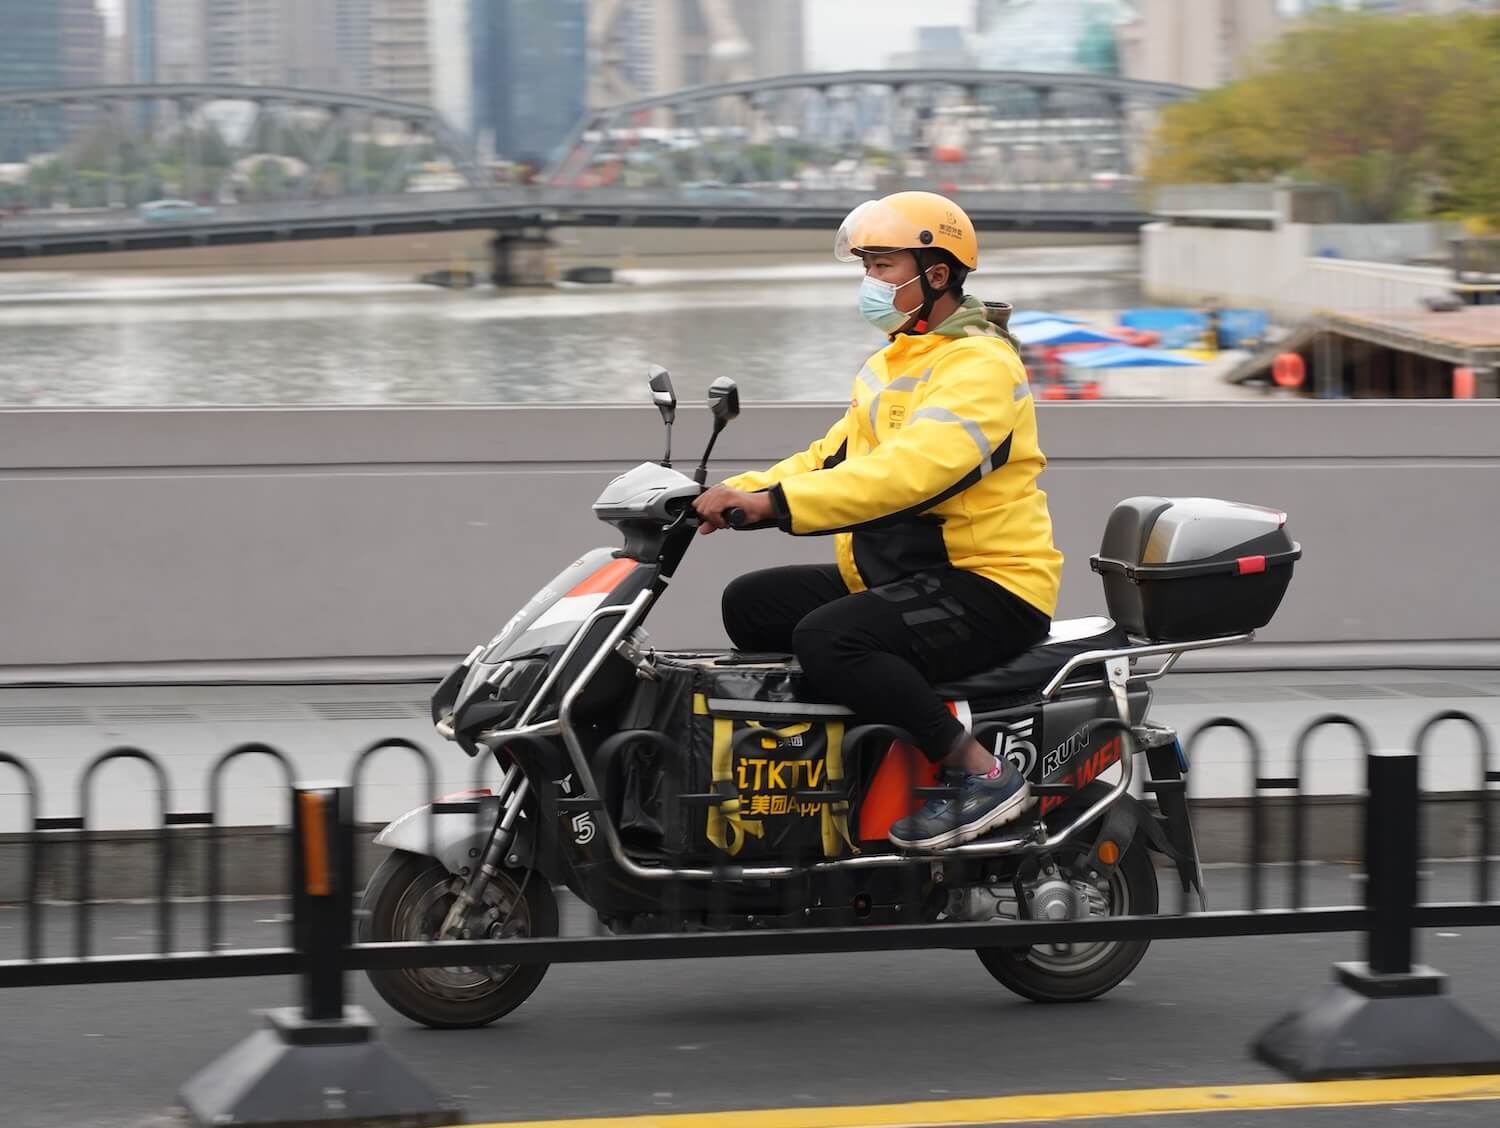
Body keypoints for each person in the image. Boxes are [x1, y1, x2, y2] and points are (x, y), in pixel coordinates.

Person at [692, 191, 1064, 850]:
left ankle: (982, 775)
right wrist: (728, 492)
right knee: (752, 604)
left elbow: (907, 475)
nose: (870, 282)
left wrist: (776, 508)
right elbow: (829, 457)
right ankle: (838, 768)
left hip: (989, 584)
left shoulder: (979, 365)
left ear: (938, 274)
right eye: (865, 265)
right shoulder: (894, 361)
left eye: (883, 266)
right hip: (905, 573)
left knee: (831, 637)